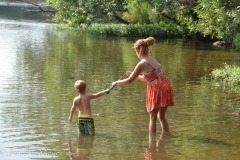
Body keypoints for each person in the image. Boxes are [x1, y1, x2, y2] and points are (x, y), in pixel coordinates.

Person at [111, 37, 174, 134]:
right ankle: (166, 139)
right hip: (166, 85)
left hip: (157, 88)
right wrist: (134, 75)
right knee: (161, 117)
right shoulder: (152, 59)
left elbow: (128, 81)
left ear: (137, 50)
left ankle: (151, 144)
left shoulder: (141, 64)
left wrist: (116, 82)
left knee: (152, 118)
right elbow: (148, 78)